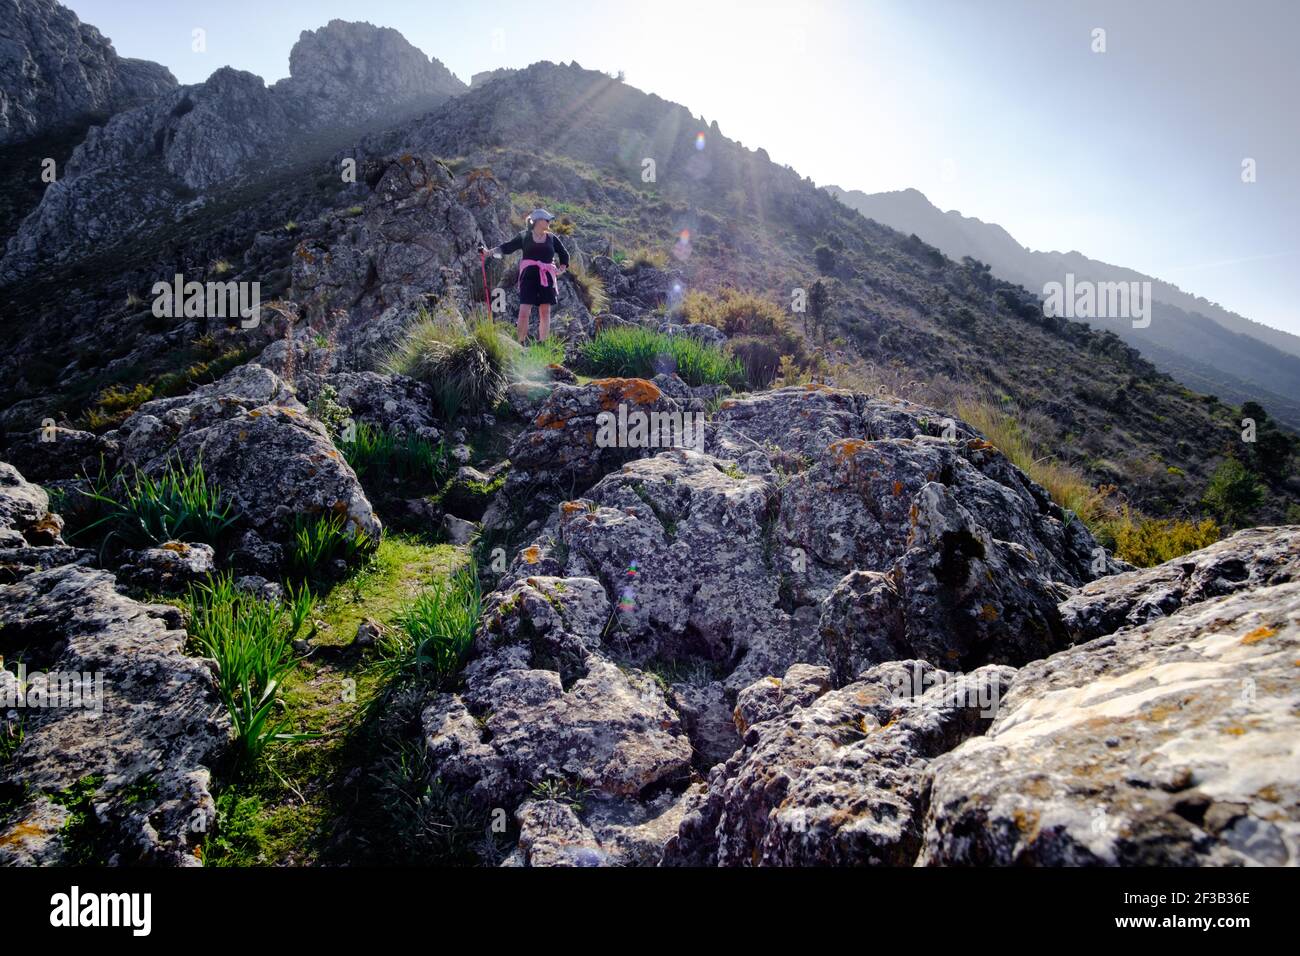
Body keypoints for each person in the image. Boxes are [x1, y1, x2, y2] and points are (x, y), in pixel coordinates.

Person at [478, 209, 570, 343]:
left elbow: (564, 254)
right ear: (538, 221)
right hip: (528, 278)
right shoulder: (524, 236)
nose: (550, 222)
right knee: (524, 311)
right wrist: (488, 253)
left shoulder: (552, 238)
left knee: (545, 312)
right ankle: (520, 342)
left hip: (546, 277)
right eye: (547, 219)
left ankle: (542, 342)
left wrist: (561, 269)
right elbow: (507, 247)